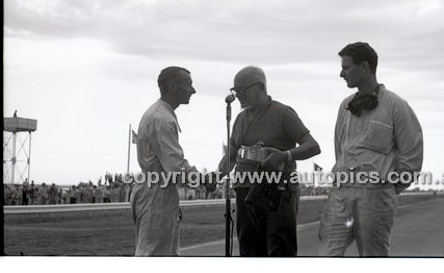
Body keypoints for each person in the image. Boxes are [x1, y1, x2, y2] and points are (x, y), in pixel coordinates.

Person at [318, 42, 423, 257]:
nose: (341, 73)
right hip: (341, 193)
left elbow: (411, 157)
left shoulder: (396, 105)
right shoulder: (345, 106)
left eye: (346, 67)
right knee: (328, 254)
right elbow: (340, 149)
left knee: (373, 257)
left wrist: (385, 188)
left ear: (364, 66)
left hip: (376, 196)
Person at [216, 66, 321, 256]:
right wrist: (215, 176)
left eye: (242, 90)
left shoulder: (283, 113)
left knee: (279, 250)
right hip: (245, 194)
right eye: (235, 90)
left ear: (261, 88)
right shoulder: (239, 119)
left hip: (276, 193)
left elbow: (312, 146)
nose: (238, 95)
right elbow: (231, 155)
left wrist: (286, 155)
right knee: (249, 251)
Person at [130, 66, 203, 256]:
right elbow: (177, 168)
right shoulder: (161, 118)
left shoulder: (162, 113)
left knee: (165, 253)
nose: (192, 90)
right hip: (157, 194)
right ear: (172, 86)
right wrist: (203, 180)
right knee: (155, 254)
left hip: (158, 190)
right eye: (188, 84)